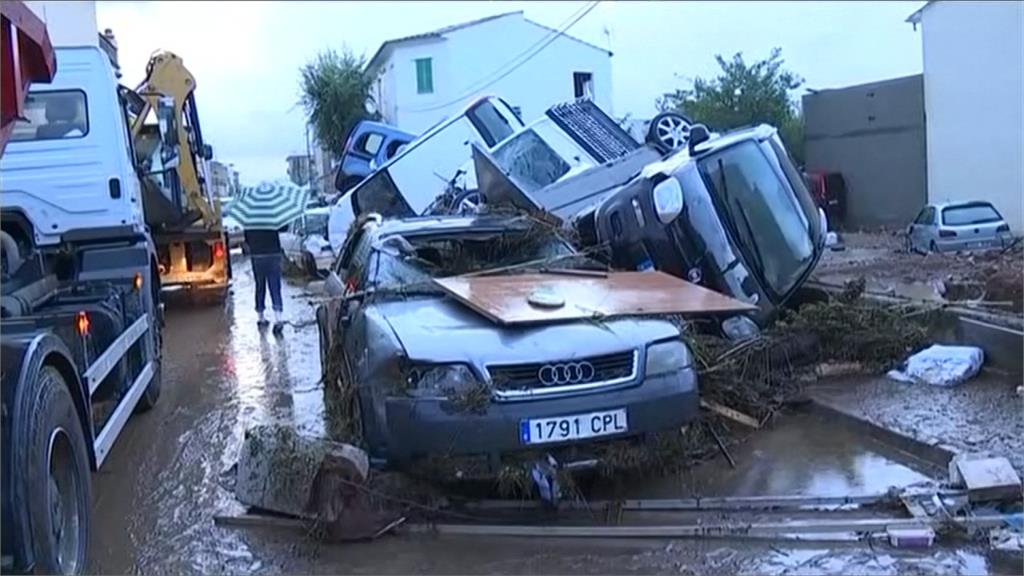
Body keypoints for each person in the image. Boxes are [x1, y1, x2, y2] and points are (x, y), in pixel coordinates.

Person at [244, 227, 285, 332]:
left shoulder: (251, 221)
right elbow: (283, 228)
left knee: (260, 286)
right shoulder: (272, 217)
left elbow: (247, 240)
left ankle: (261, 317)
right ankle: (278, 317)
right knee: (275, 286)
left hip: (257, 256)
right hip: (273, 255)